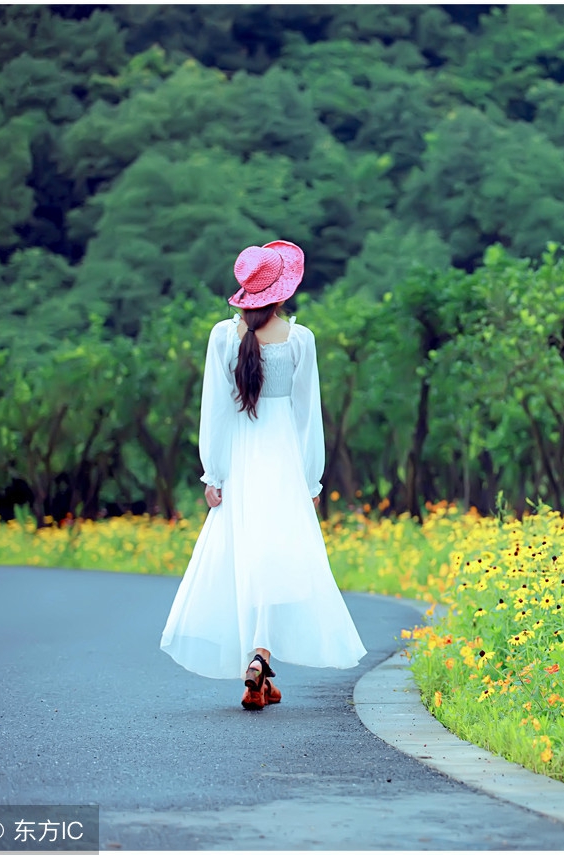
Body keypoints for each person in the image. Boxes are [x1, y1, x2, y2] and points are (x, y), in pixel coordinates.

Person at [160, 240, 367, 710]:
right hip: (282, 463)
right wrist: (311, 480)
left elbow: (213, 408)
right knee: (278, 560)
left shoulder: (221, 336)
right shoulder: (299, 339)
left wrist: (213, 473)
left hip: (239, 459)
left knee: (244, 559)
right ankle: (260, 657)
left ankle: (256, 663)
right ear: (282, 292)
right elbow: (306, 415)